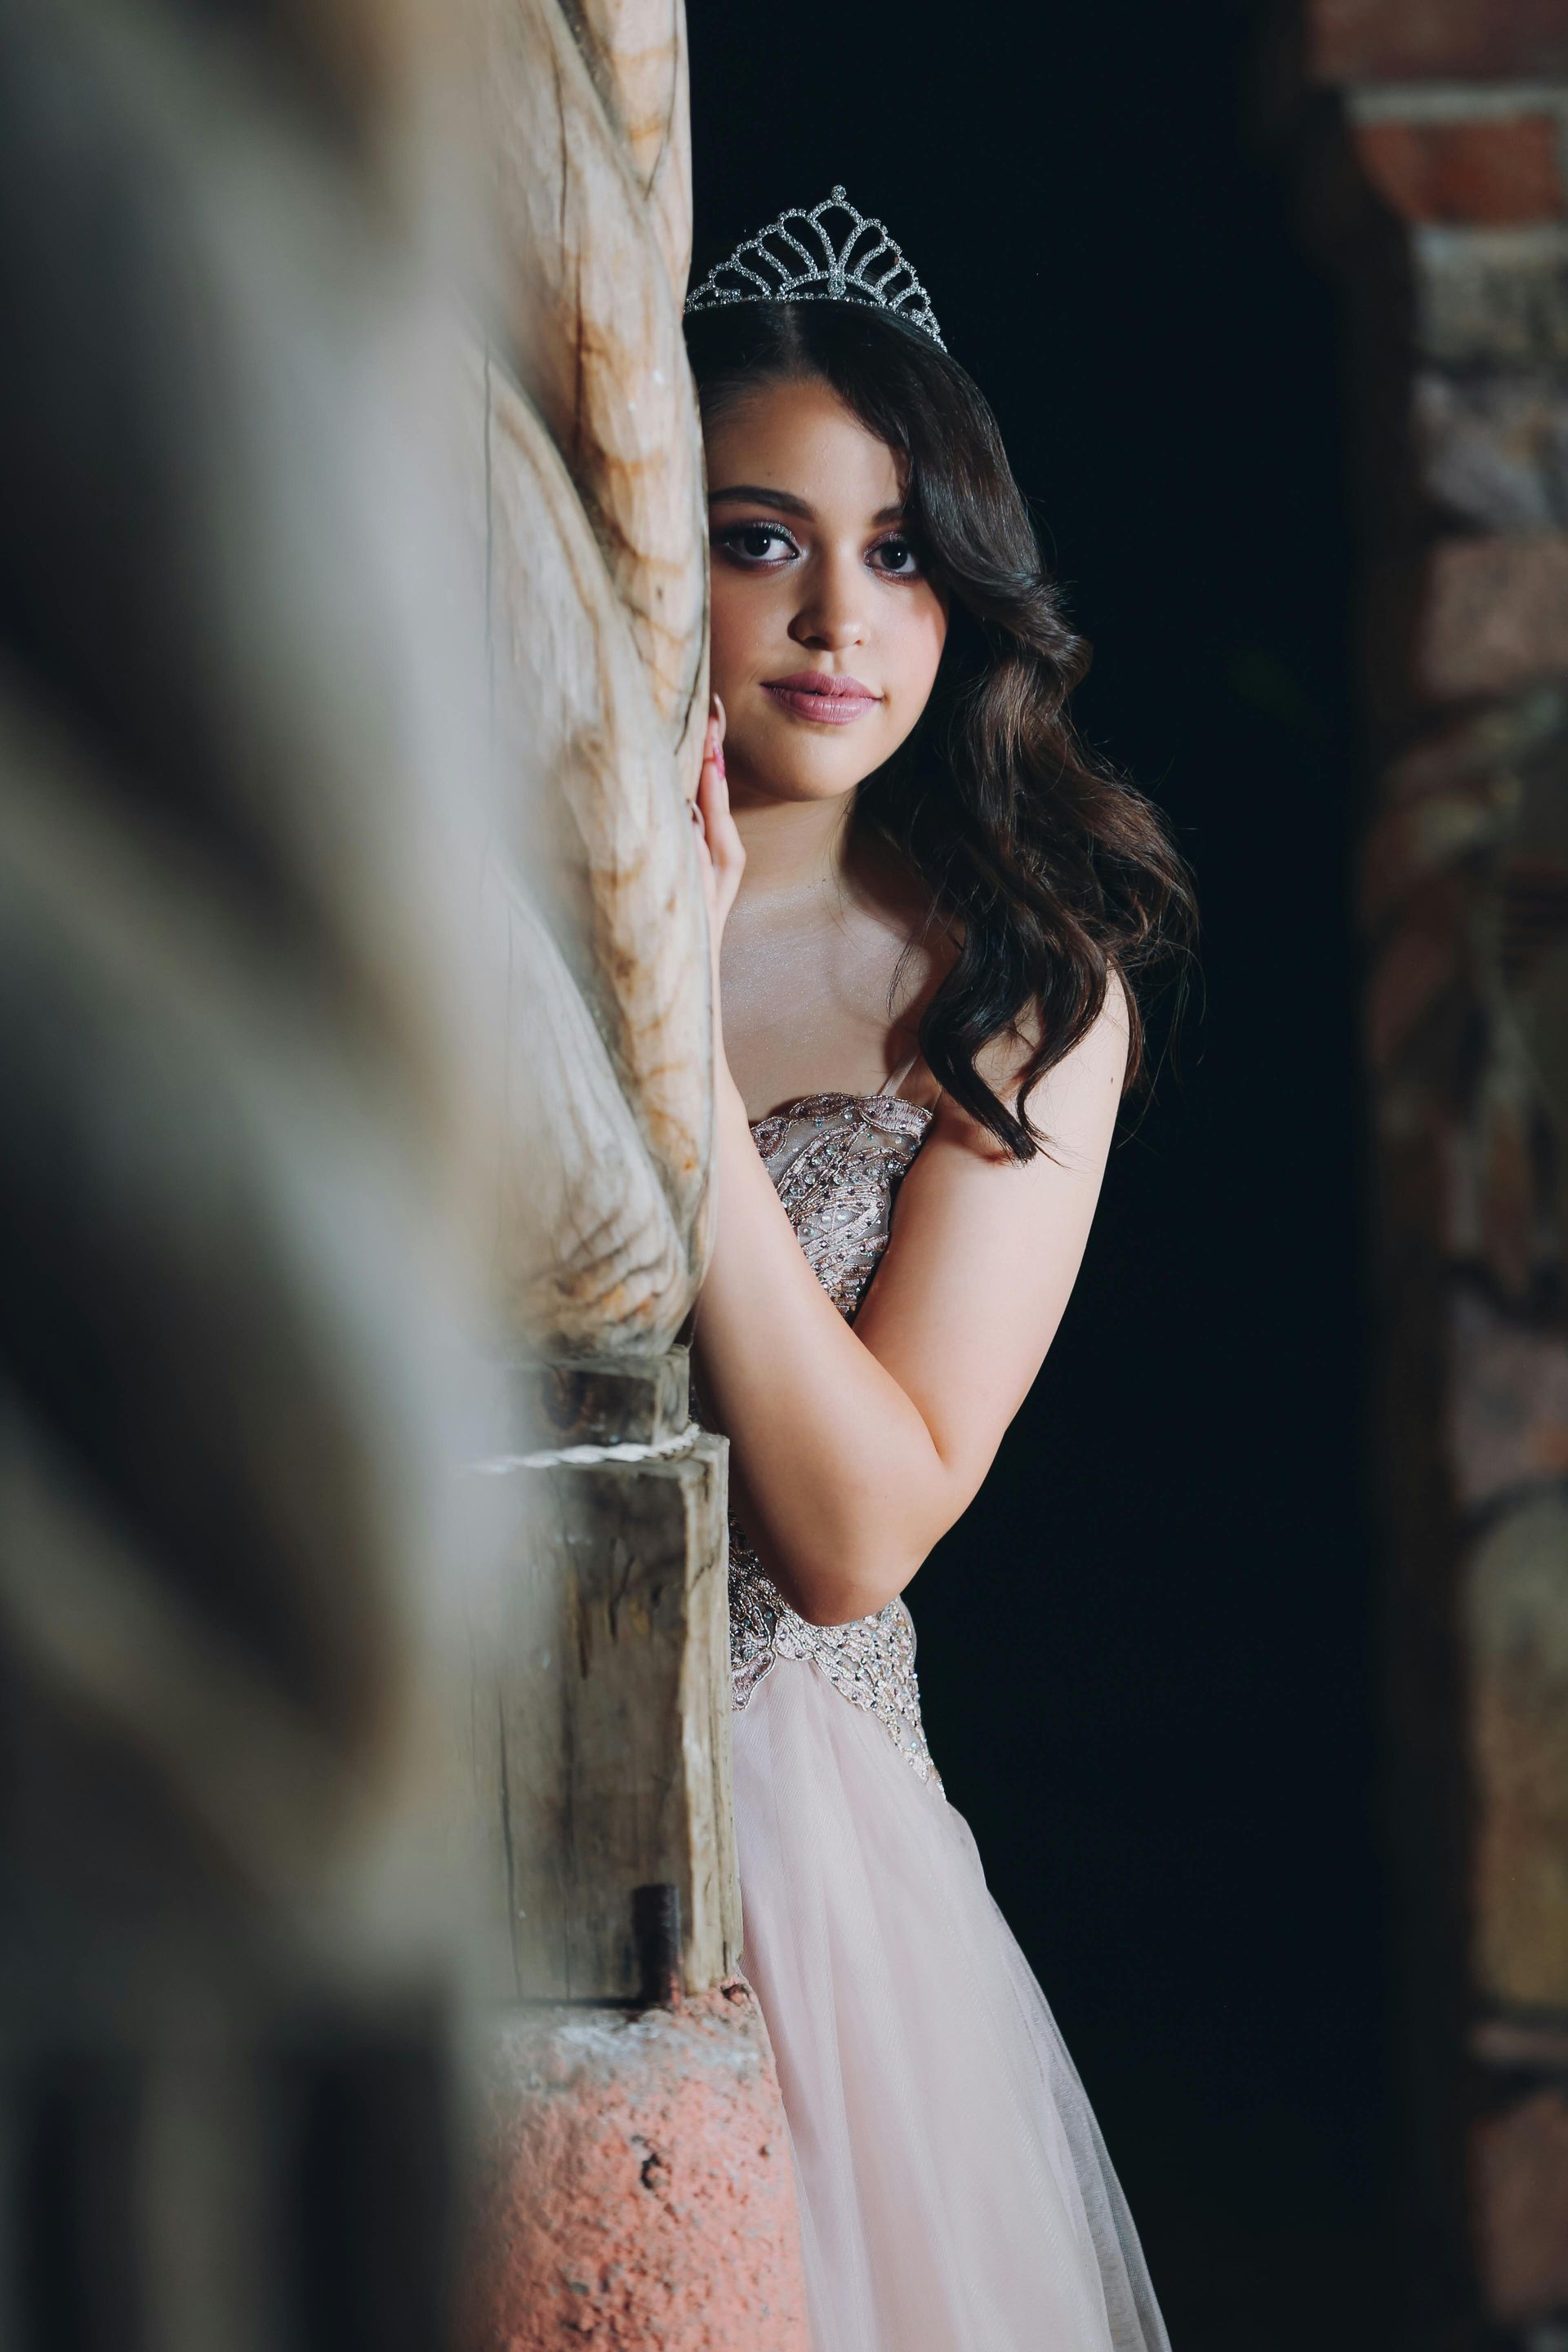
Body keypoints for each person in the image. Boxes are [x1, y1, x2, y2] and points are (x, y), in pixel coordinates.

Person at [684, 189, 1192, 2352]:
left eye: (898, 549)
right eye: (760, 535)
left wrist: (652, 1040)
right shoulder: (449, 914)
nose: (837, 615)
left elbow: (856, 1528)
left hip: (798, 1886)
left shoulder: (1022, 993)